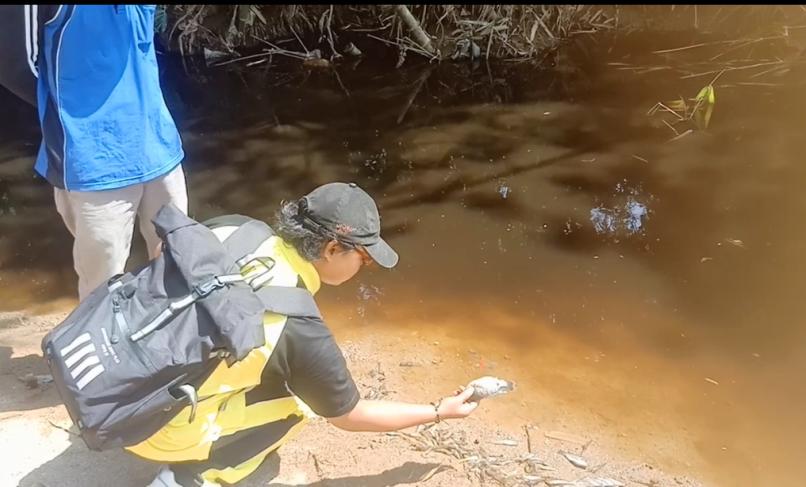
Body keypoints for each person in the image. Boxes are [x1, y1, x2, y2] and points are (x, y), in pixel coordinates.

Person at [127, 182, 480, 486]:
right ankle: (192, 476)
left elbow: (163, 249)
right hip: (149, 429)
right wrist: (438, 411)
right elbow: (349, 415)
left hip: (113, 382)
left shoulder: (236, 227)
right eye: (364, 258)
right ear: (331, 249)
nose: (365, 267)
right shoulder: (296, 322)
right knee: (299, 406)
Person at [35, 5, 188, 300]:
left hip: (159, 147)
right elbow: (15, 61)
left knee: (179, 262)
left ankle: (170, 342)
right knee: (101, 292)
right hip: (94, 161)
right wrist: (73, 116)